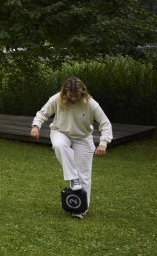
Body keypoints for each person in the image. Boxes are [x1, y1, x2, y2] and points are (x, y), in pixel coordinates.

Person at [31, 76, 113, 218]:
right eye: (70, 95)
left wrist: (103, 143)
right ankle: (73, 179)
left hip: (83, 138)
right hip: (60, 132)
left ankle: (81, 209)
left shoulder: (91, 103)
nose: (73, 98)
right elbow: (42, 113)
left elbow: (105, 123)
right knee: (59, 145)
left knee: (84, 175)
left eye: (77, 95)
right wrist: (36, 126)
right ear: (65, 92)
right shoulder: (56, 99)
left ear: (82, 92)